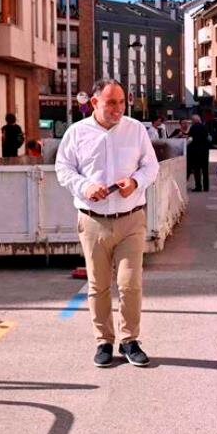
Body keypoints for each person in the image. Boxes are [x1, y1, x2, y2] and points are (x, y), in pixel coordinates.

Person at [55, 78, 160, 368]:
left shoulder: (135, 129)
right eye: (111, 102)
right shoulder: (77, 133)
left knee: (129, 283)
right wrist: (84, 187)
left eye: (122, 101)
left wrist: (135, 181)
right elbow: (63, 169)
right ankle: (104, 341)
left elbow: (150, 166)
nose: (118, 108)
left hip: (130, 219)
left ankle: (129, 339)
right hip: (92, 221)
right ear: (94, 103)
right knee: (98, 284)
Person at [187, 114, 210, 192]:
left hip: (196, 152)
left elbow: (190, 139)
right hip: (205, 152)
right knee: (205, 170)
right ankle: (206, 187)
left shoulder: (193, 128)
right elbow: (208, 137)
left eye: (192, 120)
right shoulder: (204, 127)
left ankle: (198, 187)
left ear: (194, 120)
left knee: (197, 170)